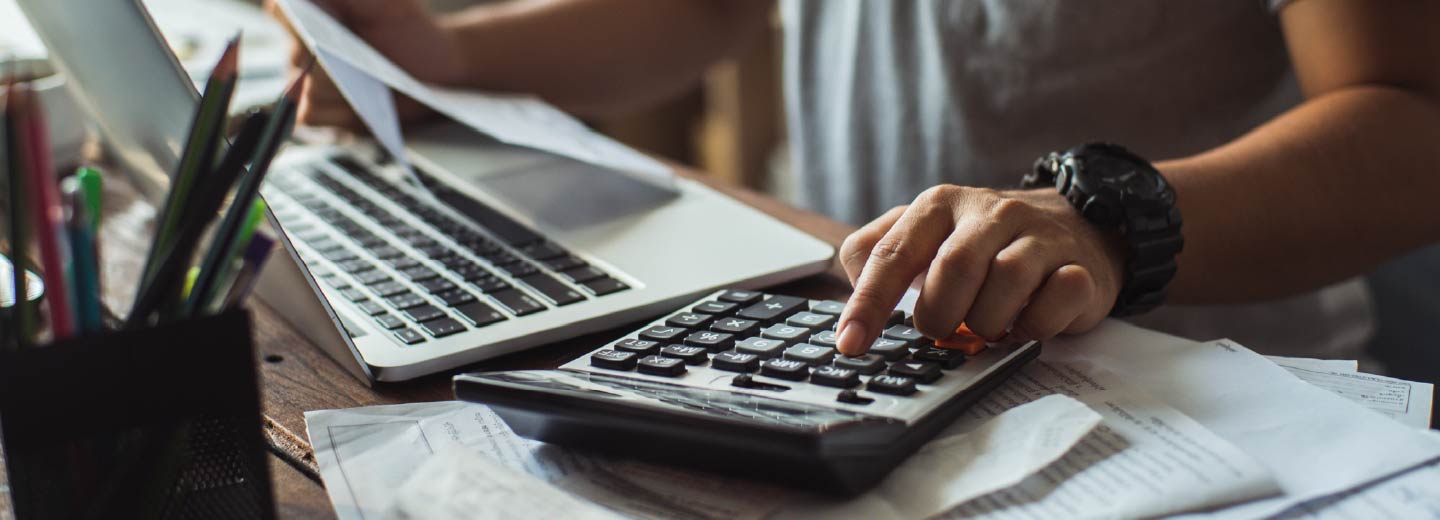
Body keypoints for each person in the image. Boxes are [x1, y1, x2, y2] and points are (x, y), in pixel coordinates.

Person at [275, 0, 1440, 363]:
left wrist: (1108, 219)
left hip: (1192, 405)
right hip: (877, 367)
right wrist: (453, 62)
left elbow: (1412, 123)